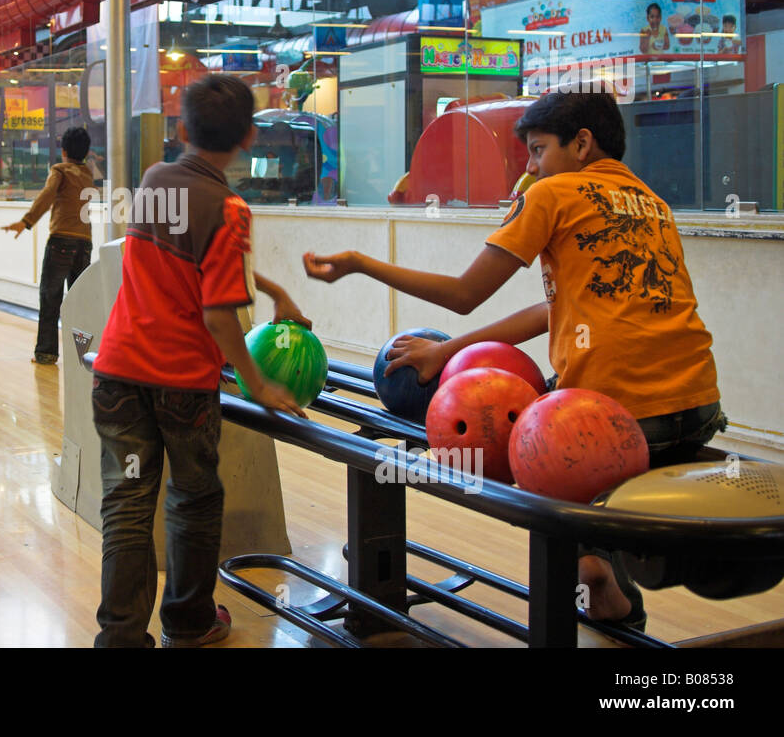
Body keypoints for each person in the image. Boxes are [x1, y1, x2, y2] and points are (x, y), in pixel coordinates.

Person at [304, 85, 723, 633]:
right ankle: (610, 589)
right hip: (697, 405)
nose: (530, 165)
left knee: (519, 445)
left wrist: (361, 262)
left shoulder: (553, 195)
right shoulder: (652, 202)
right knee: (572, 441)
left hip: (621, 413)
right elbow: (557, 308)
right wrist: (449, 349)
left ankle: (588, 564)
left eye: (538, 150)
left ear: (581, 143)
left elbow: (462, 293)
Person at [90, 74, 310, 648]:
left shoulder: (155, 181)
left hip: (117, 374)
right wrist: (255, 381)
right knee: (192, 498)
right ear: (249, 138)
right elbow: (217, 311)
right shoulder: (231, 208)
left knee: (128, 502)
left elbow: (193, 258)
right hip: (181, 386)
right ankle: (188, 624)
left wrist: (271, 289)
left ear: (182, 129)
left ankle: (119, 637)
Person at [1, 127, 96, 365]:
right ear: (86, 152)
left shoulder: (59, 170)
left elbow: (46, 196)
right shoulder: (87, 174)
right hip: (84, 243)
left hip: (61, 241)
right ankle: (84, 356)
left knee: (50, 297)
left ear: (63, 151)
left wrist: (26, 222)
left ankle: (46, 353)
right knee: (80, 300)